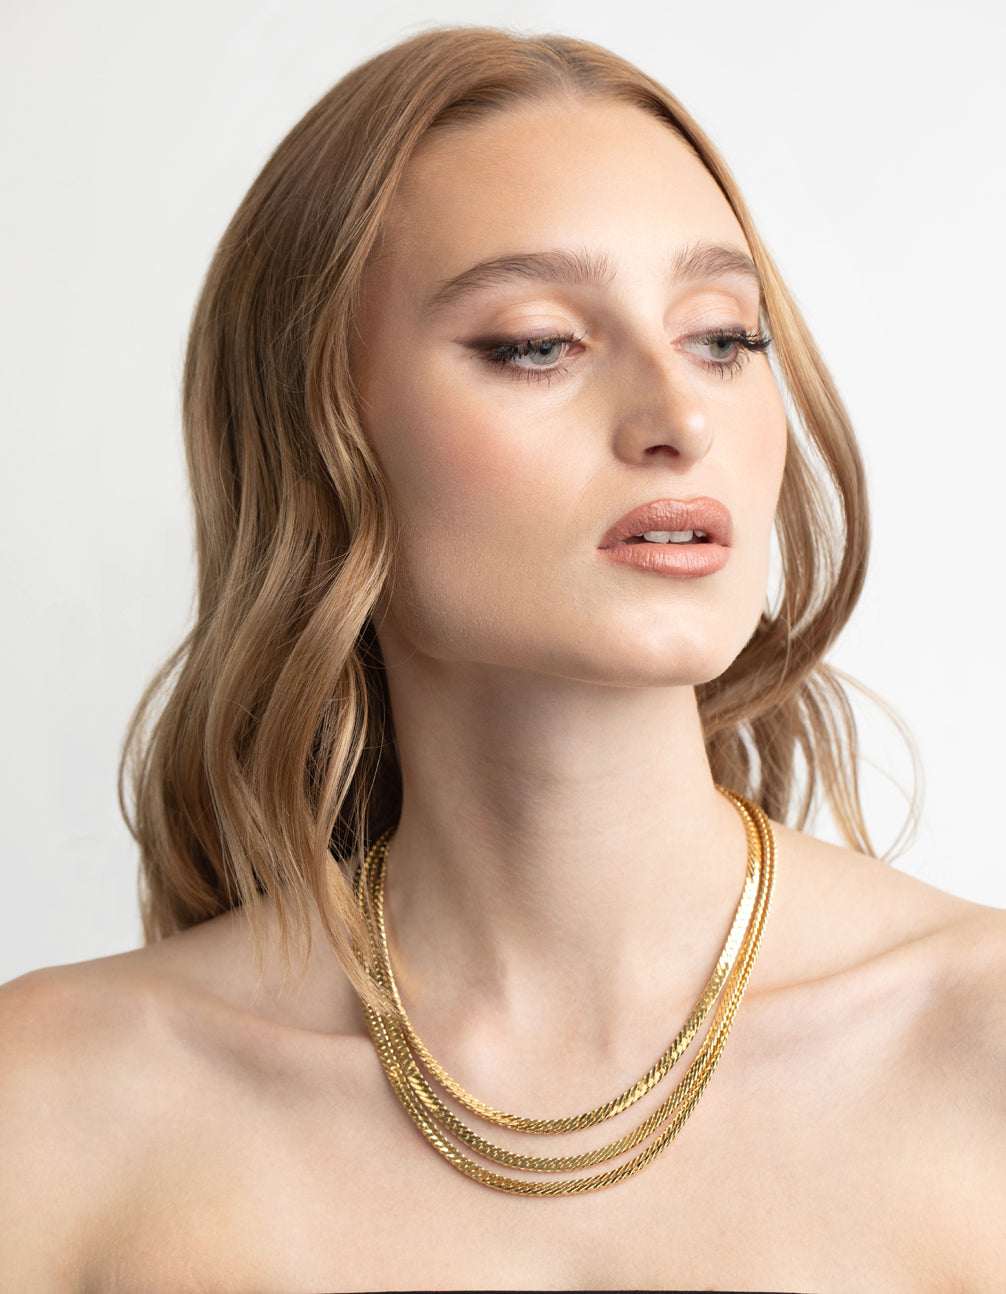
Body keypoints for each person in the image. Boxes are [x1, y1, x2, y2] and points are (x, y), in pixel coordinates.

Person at [1, 25, 1003, 1293]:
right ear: (318, 443)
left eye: (720, 336)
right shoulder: (55, 1112)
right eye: (537, 343)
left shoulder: (979, 1053)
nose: (680, 418)